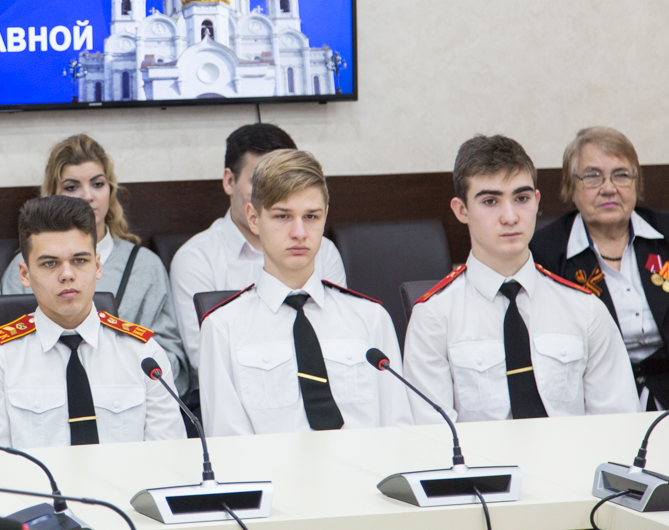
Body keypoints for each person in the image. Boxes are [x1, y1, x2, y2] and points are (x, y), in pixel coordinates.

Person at [404, 135, 639, 423]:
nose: (510, 216)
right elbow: (435, 436)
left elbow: (618, 423)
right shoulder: (434, 317)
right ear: (462, 210)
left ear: (537, 201)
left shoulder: (584, 309)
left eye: (522, 198)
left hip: (571, 453)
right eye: (490, 201)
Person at [199, 150, 409, 436]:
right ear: (254, 218)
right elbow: (229, 443)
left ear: (325, 217)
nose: (299, 232)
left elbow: (398, 431)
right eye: (282, 216)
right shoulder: (222, 327)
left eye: (311, 216)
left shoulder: (370, 318)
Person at [0, 196, 186, 449]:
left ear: (98, 266)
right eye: (50, 263)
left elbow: (168, 456)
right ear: (25, 275)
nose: (67, 274)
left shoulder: (144, 355)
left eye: (80, 260)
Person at [1, 134, 187, 392]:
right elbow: (11, 352)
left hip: (131, 395)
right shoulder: (25, 268)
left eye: (98, 184)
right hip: (43, 394)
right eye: (72, 187)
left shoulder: (145, 266)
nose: (87, 196)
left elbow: (172, 360)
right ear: (53, 195)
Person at [171, 124, 347, 384]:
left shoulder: (323, 250)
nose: (272, 193)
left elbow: (339, 341)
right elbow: (205, 360)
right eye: (260, 181)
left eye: (283, 180)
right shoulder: (196, 259)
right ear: (229, 181)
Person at [531, 127, 669, 410]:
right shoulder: (545, 253)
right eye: (593, 176)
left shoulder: (665, 233)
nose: (608, 188)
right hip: (592, 398)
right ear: (571, 186)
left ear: (636, 183)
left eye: (621, 175)